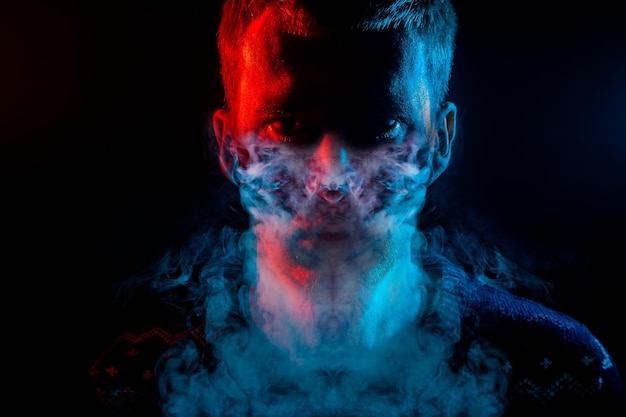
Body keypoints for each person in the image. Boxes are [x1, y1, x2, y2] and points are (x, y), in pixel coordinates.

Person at [88, 1, 626, 416]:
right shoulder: (129, 382)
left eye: (380, 126)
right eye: (288, 126)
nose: (334, 179)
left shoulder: (563, 375)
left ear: (439, 144)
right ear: (231, 149)